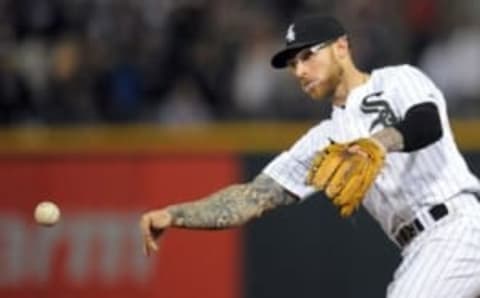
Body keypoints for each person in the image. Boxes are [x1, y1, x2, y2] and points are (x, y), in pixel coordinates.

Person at [139, 15, 480, 297]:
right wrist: (175, 214)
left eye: (307, 56)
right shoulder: (322, 141)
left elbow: (427, 123)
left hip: (456, 226)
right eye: (292, 63)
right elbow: (252, 198)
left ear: (342, 47)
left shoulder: (397, 79)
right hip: (422, 248)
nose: (299, 71)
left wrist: (377, 143)